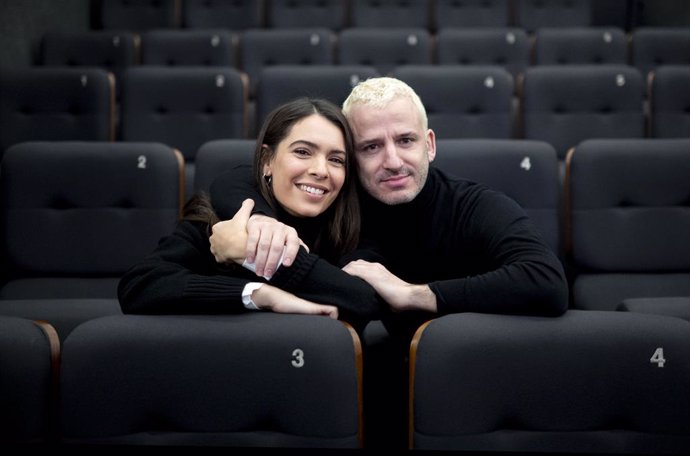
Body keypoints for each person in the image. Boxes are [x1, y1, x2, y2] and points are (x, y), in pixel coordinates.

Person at [209, 77, 569, 449]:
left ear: (429, 145)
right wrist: (258, 219)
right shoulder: (332, 206)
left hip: (474, 386)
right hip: (360, 394)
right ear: (349, 157)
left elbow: (546, 281)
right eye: (371, 147)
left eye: (406, 140)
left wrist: (417, 294)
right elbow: (234, 178)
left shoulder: (473, 206)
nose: (393, 161)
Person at [118, 97, 381, 329]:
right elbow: (139, 285)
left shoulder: (353, 228)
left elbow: (362, 300)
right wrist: (258, 294)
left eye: (336, 160)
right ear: (267, 161)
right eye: (302, 152)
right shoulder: (226, 219)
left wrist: (253, 256)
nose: (321, 170)